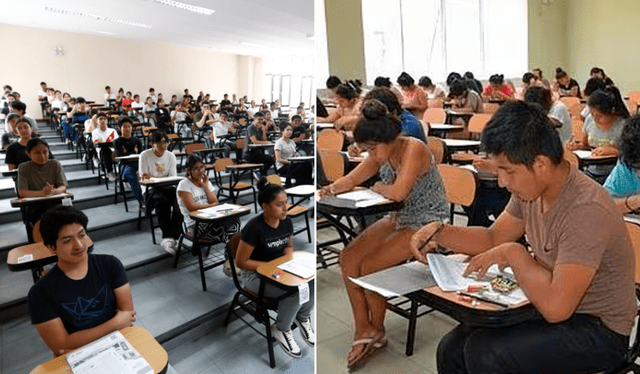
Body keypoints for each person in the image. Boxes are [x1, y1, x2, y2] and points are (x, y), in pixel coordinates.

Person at [410, 101, 635, 374]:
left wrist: (514, 253)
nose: (502, 182)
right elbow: (493, 237)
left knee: (487, 354)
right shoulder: (530, 189)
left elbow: (557, 308)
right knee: (452, 348)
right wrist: (440, 231)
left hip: (599, 329)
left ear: (540, 163)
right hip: (552, 300)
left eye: (508, 170)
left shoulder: (585, 209)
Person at [318, 99, 449, 371]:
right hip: (399, 216)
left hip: (427, 222)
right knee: (349, 257)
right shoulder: (382, 152)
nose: (373, 155)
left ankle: (376, 330)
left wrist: (378, 186)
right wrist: (331, 189)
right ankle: (363, 328)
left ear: (391, 138)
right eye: (367, 149)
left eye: (373, 148)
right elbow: (353, 178)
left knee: (370, 267)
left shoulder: (414, 148)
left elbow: (398, 192)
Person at [28, 206, 136, 357]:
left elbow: (127, 315)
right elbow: (60, 345)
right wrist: (115, 323)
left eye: (82, 235)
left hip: (120, 344)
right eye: (67, 241)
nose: (79, 245)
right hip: (82, 357)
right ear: (52, 248)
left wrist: (75, 341)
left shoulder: (110, 264)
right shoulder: (40, 293)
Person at [236, 177, 315, 358]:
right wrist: (271, 267)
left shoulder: (286, 221)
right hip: (254, 274)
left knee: (310, 282)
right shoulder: (253, 228)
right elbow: (241, 263)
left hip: (278, 268)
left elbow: (288, 247)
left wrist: (290, 265)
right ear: (266, 207)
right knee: (294, 290)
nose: (286, 208)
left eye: (286, 202)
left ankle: (302, 318)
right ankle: (281, 328)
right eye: (280, 204)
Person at [565, 86, 629, 182]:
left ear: (612, 111)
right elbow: (585, 145)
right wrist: (577, 146)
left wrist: (614, 151)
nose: (595, 119)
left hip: (615, 175)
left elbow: (633, 155)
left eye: (600, 116)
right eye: (592, 114)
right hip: (591, 171)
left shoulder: (623, 125)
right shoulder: (589, 120)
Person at [177, 155, 241, 243]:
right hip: (195, 224)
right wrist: (210, 206)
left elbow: (215, 202)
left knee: (235, 221)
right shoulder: (184, 184)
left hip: (211, 218)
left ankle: (232, 251)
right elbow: (191, 207)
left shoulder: (206, 182)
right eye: (196, 169)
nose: (200, 171)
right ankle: (232, 253)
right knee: (230, 233)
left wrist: (205, 186)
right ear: (188, 170)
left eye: (202, 167)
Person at [17, 138, 68, 241]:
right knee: (41, 220)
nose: (42, 156)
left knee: (68, 216)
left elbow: (63, 187)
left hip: (55, 201)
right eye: (37, 153)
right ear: (28, 153)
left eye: (45, 152)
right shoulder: (23, 167)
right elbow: (22, 192)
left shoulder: (55, 164)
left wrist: (52, 192)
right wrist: (43, 193)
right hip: (35, 205)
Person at [139, 131, 180, 254]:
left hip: (167, 187)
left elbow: (172, 178)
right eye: (159, 143)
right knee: (162, 201)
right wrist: (162, 180)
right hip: (150, 190)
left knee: (181, 199)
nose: (163, 145)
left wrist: (154, 178)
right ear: (152, 144)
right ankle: (167, 238)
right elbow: (145, 178)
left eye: (165, 142)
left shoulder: (171, 156)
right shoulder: (144, 155)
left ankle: (172, 236)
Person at [604, 115, 640, 213]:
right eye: (638, 167)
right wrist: (633, 202)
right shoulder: (627, 163)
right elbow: (605, 204)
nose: (638, 174)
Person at [113, 117, 144, 206]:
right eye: (124, 127)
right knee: (132, 176)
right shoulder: (117, 141)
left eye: (129, 126)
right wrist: (134, 152)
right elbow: (121, 156)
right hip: (125, 166)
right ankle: (141, 201)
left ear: (132, 128)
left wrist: (127, 153)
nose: (127, 129)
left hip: (138, 164)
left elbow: (142, 154)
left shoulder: (137, 140)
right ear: (120, 129)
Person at [243, 112, 275, 177]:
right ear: (254, 119)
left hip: (257, 152)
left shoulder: (259, 128)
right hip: (249, 154)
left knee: (270, 159)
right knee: (269, 160)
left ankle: (262, 175)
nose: (261, 121)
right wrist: (267, 142)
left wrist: (263, 130)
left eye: (262, 119)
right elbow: (255, 142)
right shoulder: (250, 128)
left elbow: (264, 140)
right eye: (259, 119)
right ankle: (261, 175)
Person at [91, 112, 119, 181]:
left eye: (104, 119)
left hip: (115, 153)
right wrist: (109, 144)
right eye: (100, 119)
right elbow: (98, 143)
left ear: (107, 121)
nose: (103, 120)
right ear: (97, 121)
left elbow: (117, 143)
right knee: (106, 149)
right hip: (102, 153)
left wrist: (107, 144)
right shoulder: (95, 132)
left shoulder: (113, 131)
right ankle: (109, 172)